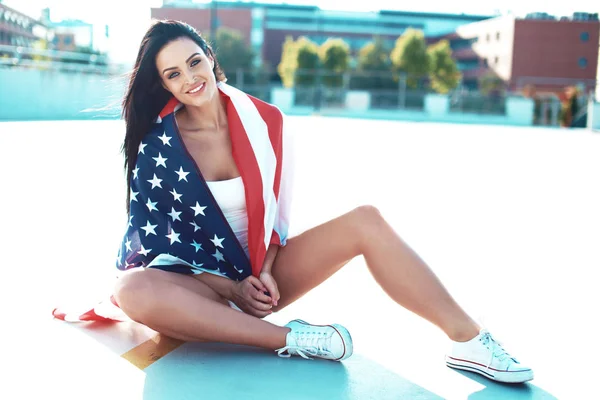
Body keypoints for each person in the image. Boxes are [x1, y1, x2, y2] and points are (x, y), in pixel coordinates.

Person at [58, 20, 534, 384]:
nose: (190, 79)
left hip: (262, 275)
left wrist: (262, 275)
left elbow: (276, 217)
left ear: (210, 57)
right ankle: (297, 339)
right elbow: (159, 240)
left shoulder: (264, 120)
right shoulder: (159, 144)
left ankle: (469, 340)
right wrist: (228, 289)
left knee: (365, 220)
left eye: (195, 62)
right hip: (199, 288)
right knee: (134, 289)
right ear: (163, 84)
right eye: (173, 74)